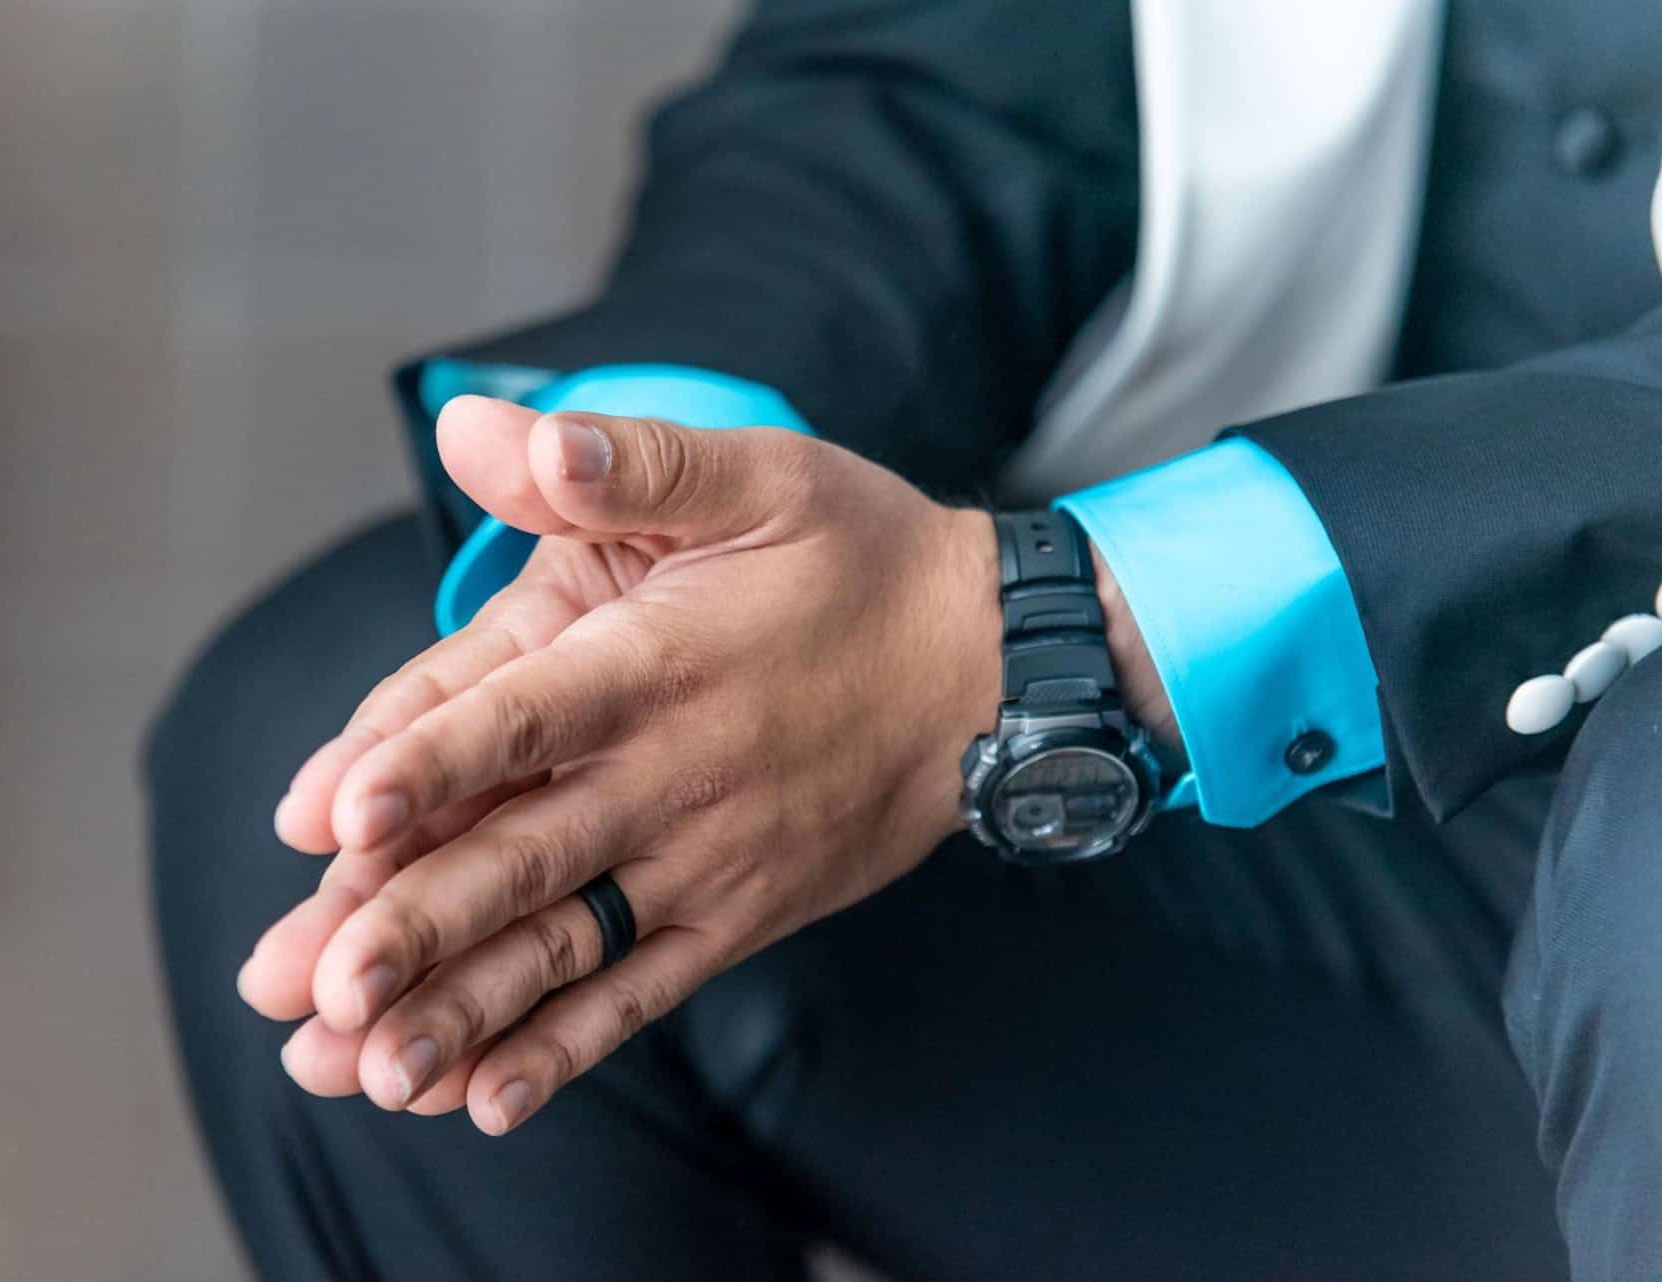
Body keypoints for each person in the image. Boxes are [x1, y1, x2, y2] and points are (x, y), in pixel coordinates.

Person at [145, 2, 1662, 1278]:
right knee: (436, 767)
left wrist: (1066, 628)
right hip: (1342, 886)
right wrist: (672, 515)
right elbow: (928, 83)